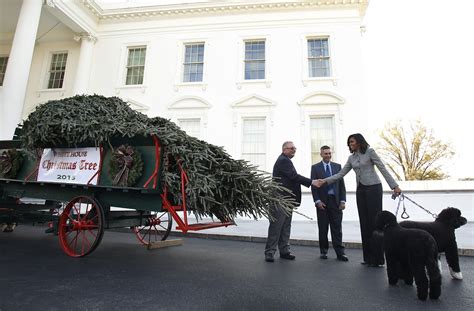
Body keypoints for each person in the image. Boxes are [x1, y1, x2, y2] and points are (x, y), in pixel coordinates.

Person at [315, 133, 401, 267]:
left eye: (352, 142)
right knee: (364, 223)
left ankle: (378, 259)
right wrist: (324, 181)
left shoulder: (370, 152)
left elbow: (382, 168)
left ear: (359, 142)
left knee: (374, 224)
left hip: (373, 188)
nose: (350, 144)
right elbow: (340, 174)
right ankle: (367, 258)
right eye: (349, 143)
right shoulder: (351, 158)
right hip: (360, 191)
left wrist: (394, 186)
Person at [265, 141, 316, 262]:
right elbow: (294, 176)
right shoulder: (283, 160)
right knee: (276, 227)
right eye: (291, 148)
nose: (294, 150)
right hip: (280, 199)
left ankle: (284, 251)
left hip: (287, 200)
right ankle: (270, 252)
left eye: (295, 148)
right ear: (284, 149)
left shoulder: (286, 160)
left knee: (286, 226)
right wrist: (312, 182)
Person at [310, 145, 348, 262]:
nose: (328, 155)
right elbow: (314, 186)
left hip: (335, 202)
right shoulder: (315, 168)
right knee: (323, 227)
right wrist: (317, 201)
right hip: (322, 202)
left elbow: (342, 185)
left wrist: (342, 200)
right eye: (325, 153)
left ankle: (340, 253)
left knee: (337, 227)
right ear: (321, 154)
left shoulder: (338, 167)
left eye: (329, 153)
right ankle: (323, 251)